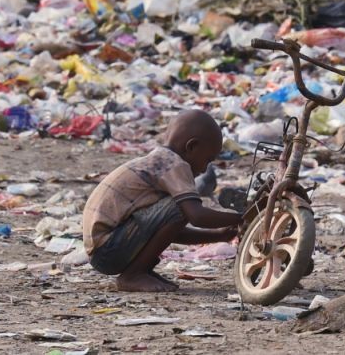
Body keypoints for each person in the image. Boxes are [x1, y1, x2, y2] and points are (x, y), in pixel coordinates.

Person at [82, 109, 241, 292]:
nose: (205, 169)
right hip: (109, 249)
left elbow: (167, 231)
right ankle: (133, 275)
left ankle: (140, 271)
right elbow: (195, 216)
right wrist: (240, 217)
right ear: (191, 147)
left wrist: (219, 235)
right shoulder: (174, 165)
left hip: (105, 250)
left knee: (180, 208)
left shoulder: (160, 161)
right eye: (207, 159)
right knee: (181, 207)